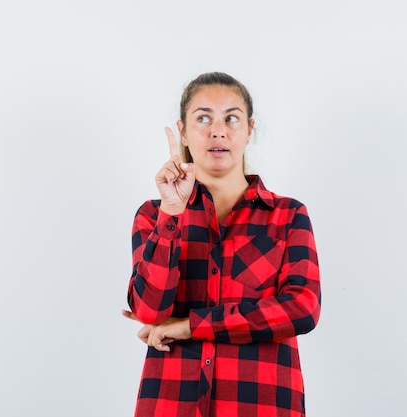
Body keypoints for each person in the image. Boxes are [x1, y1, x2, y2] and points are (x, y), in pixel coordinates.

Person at [122, 71, 321, 417]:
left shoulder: (288, 216)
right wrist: (172, 211)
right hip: (170, 403)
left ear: (249, 130)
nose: (218, 131)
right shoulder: (155, 216)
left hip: (261, 405)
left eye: (231, 118)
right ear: (183, 130)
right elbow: (150, 311)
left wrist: (190, 325)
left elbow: (302, 309)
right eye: (203, 119)